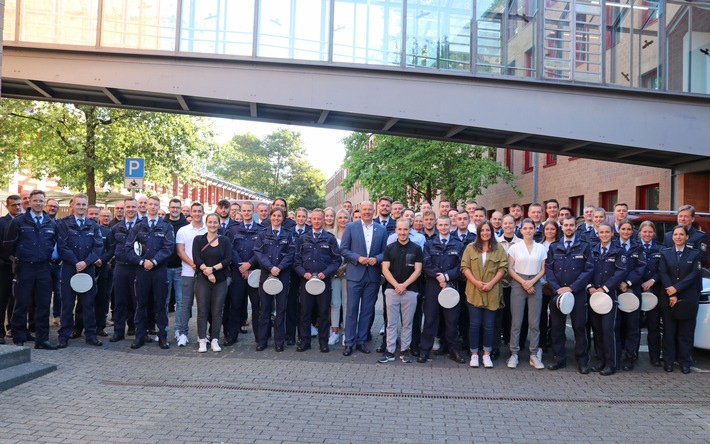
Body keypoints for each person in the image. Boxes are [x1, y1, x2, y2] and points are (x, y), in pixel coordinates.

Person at [3, 190, 58, 349]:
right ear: (30, 202)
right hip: (25, 267)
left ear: (44, 203)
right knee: (21, 303)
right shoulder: (19, 221)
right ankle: (18, 336)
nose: (38, 204)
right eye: (35, 201)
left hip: (44, 268)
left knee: (43, 304)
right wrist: (18, 259)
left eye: (41, 201)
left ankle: (42, 340)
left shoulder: (50, 222)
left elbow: (55, 243)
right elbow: (8, 245)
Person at [545, 215, 594, 373]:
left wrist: (572, 288)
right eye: (565, 225)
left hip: (577, 294)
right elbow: (549, 270)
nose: (568, 228)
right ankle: (559, 359)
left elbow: (588, 270)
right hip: (558, 294)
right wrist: (557, 288)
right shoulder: (554, 247)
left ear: (575, 227)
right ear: (562, 227)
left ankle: (582, 360)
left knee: (579, 327)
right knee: (557, 328)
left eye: (571, 225)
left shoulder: (584, 247)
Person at [126, 196, 175, 350]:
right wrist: (142, 262)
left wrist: (153, 261)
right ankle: (139, 336)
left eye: (156, 205)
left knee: (160, 304)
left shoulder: (166, 227)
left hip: (159, 270)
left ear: (160, 207)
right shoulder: (138, 226)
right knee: (141, 304)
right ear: (146, 206)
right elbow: (128, 248)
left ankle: (162, 336)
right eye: (151, 204)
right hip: (142, 271)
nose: (153, 207)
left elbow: (168, 247)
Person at [340, 201, 388, 356]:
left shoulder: (381, 229)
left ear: (373, 211)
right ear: (359, 211)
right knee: (351, 310)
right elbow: (344, 249)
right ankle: (349, 342)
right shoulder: (351, 227)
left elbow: (385, 251)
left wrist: (378, 259)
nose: (367, 212)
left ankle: (361, 341)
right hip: (355, 274)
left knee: (367, 310)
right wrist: (357, 258)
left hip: (372, 275)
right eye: (364, 209)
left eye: (369, 209)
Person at [56, 194, 104, 348]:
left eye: (84, 204)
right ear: (73, 206)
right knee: (67, 304)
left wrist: (86, 262)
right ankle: (64, 335)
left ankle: (90, 335)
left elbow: (98, 247)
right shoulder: (63, 224)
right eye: (78, 204)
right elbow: (62, 246)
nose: (81, 207)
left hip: (87, 269)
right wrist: (76, 262)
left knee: (88, 304)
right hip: (69, 268)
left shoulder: (94, 225)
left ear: (87, 206)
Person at [461, 220, 508, 368]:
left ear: (492, 232)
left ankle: (486, 354)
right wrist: (475, 282)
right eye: (482, 230)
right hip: (474, 291)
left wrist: (491, 283)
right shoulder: (470, 248)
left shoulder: (498, 248)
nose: (485, 233)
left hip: (492, 292)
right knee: (474, 325)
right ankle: (474, 354)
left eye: (488, 230)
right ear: (478, 232)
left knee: (489, 325)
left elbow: (503, 268)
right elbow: (464, 267)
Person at [419, 215, 466, 364]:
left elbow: (462, 267)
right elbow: (425, 264)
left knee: (452, 321)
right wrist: (439, 277)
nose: (444, 227)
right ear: (437, 226)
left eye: (446, 225)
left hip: (451, 285)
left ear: (450, 225)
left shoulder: (458, 245)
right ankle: (424, 351)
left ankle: (454, 350)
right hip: (433, 286)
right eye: (441, 225)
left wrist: (446, 276)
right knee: (430, 319)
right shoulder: (429, 243)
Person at [293, 209, 341, 353]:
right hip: (306, 281)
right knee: (305, 313)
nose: (317, 221)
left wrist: (325, 273)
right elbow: (296, 260)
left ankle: (323, 342)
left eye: (319, 219)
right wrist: (303, 273)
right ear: (310, 220)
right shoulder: (303, 238)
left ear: (323, 220)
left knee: (323, 313)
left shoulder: (330, 238)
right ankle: (305, 341)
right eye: (314, 219)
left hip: (323, 281)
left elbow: (336, 260)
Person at [658, 225, 702, 374]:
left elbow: (694, 274)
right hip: (668, 298)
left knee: (686, 333)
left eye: (681, 234)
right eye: (675, 234)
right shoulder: (665, 253)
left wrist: (676, 289)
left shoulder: (695, 254)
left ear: (687, 237)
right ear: (672, 237)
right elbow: (663, 273)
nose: (678, 237)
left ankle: (685, 362)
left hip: (687, 298)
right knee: (669, 332)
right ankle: (669, 362)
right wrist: (672, 293)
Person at [379, 218, 423, 364]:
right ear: (396, 230)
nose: (403, 232)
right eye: (400, 229)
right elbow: (385, 269)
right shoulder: (389, 248)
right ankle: (390, 351)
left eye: (405, 229)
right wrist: (397, 285)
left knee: (407, 323)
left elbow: (418, 271)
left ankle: (404, 351)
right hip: (392, 290)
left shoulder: (416, 249)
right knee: (391, 323)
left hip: (410, 291)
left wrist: (404, 285)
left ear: (409, 230)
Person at [587, 222, 627, 376]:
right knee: (597, 330)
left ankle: (612, 363)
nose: (604, 235)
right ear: (598, 234)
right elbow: (587, 269)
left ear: (612, 233)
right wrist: (590, 286)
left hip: (609, 295)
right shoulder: (592, 250)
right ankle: (601, 360)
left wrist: (604, 288)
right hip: (594, 295)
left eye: (607, 232)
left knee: (608, 330)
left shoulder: (618, 251)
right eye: (601, 232)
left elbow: (620, 272)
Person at [506, 218, 547, 369]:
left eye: (531, 228)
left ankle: (534, 354)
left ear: (535, 229)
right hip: (518, 283)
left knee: (534, 323)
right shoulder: (515, 248)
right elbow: (510, 269)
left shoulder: (541, 248)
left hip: (535, 283)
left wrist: (531, 282)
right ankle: (514, 353)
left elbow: (543, 269)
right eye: (526, 228)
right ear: (521, 230)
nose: (528, 230)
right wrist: (523, 282)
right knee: (516, 322)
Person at [253, 207, 295, 352]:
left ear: (283, 218)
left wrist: (279, 267)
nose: (277, 218)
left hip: (282, 274)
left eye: (279, 216)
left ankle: (279, 341)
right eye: (274, 216)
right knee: (264, 308)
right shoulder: (262, 234)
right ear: (270, 217)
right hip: (266, 273)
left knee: (281, 309)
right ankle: (262, 341)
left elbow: (291, 254)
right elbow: (258, 252)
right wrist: (270, 267)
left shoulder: (288, 235)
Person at [223, 201, 264, 346]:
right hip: (237, 272)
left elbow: (260, 250)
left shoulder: (261, 230)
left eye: (249, 210)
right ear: (241, 212)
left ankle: (259, 338)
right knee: (235, 304)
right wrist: (241, 265)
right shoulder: (233, 229)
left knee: (256, 305)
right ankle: (232, 335)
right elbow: (230, 249)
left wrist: (249, 264)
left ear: (254, 212)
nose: (246, 213)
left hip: (254, 271)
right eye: (244, 210)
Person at [192, 213, 231, 352]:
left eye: (215, 222)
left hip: (220, 280)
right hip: (202, 279)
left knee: (217, 311)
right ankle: (202, 339)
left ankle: (214, 339)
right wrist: (207, 273)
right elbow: (196, 258)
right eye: (210, 222)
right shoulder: (198, 240)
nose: (213, 225)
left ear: (219, 224)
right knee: (202, 311)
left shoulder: (225, 240)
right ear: (206, 223)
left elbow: (228, 260)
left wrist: (213, 269)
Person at [175, 203, 207, 347]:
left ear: (203, 212)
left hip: (204, 273)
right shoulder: (183, 230)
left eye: (200, 211)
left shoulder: (209, 229)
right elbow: (180, 251)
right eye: (194, 211)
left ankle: (203, 335)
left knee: (203, 305)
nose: (197, 213)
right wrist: (193, 264)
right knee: (185, 304)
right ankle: (182, 334)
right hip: (188, 272)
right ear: (190, 213)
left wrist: (202, 267)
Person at [616, 219, 647, 371]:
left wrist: (627, 283)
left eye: (629, 229)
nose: (626, 232)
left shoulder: (638, 247)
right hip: (614, 290)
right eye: (623, 229)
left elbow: (641, 268)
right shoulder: (614, 245)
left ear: (632, 231)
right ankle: (616, 356)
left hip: (632, 290)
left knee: (632, 326)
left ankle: (630, 357)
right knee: (616, 325)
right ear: (619, 230)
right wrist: (618, 283)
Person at [108, 198, 139, 342]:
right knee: (119, 301)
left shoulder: (143, 226)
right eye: (128, 207)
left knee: (137, 301)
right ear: (123, 209)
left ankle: (138, 331)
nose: (131, 209)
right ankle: (118, 332)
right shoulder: (116, 228)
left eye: (133, 206)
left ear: (137, 208)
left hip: (137, 268)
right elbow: (111, 248)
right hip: (120, 267)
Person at [638, 220, 664, 367]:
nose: (647, 234)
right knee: (634, 326)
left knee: (653, 326)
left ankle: (654, 356)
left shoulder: (660, 249)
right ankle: (632, 356)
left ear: (653, 233)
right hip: (636, 289)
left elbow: (663, 269)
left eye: (650, 232)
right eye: (644, 231)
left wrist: (652, 281)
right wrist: (641, 282)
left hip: (654, 291)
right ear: (640, 232)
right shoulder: (634, 248)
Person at [497, 214, 522, 351]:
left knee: (513, 314)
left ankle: (511, 341)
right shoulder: (495, 242)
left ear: (515, 225)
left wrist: (511, 277)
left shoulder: (521, 243)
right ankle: (501, 338)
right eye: (505, 223)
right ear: (502, 225)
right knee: (500, 312)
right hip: (499, 283)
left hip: (515, 283)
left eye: (510, 223)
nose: (507, 226)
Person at [164, 198, 189, 340]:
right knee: (164, 300)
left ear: (181, 209)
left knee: (181, 301)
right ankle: (164, 329)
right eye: (172, 207)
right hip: (164, 268)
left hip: (180, 268)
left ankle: (179, 329)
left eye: (177, 208)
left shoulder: (186, 225)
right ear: (169, 208)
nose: (175, 210)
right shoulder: (163, 223)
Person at [0, 195, 22, 344]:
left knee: (18, 300)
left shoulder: (24, 222)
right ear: (8, 206)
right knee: (2, 300)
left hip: (21, 268)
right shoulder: (2, 223)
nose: (17, 207)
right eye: (14, 205)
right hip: (4, 267)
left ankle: (14, 329)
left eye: (19, 205)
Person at [328, 208, 349, 346]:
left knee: (347, 304)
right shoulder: (330, 234)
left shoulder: (353, 233)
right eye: (340, 218)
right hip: (334, 273)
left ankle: (347, 333)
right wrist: (335, 268)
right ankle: (334, 332)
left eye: (345, 218)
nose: (343, 220)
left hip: (348, 272)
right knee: (335, 303)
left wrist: (344, 267)